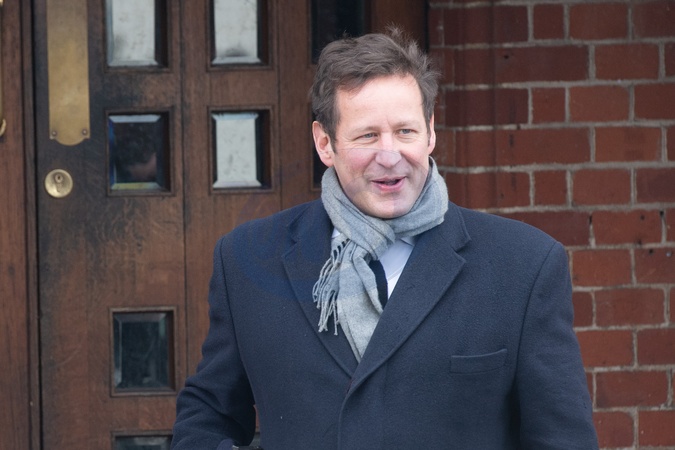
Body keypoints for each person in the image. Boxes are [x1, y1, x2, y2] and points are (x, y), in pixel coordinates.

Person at [171, 28, 598, 449]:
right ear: (325, 143)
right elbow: (207, 416)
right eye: (368, 135)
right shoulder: (246, 260)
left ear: (430, 132)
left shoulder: (524, 265)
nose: (390, 155)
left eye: (405, 131)